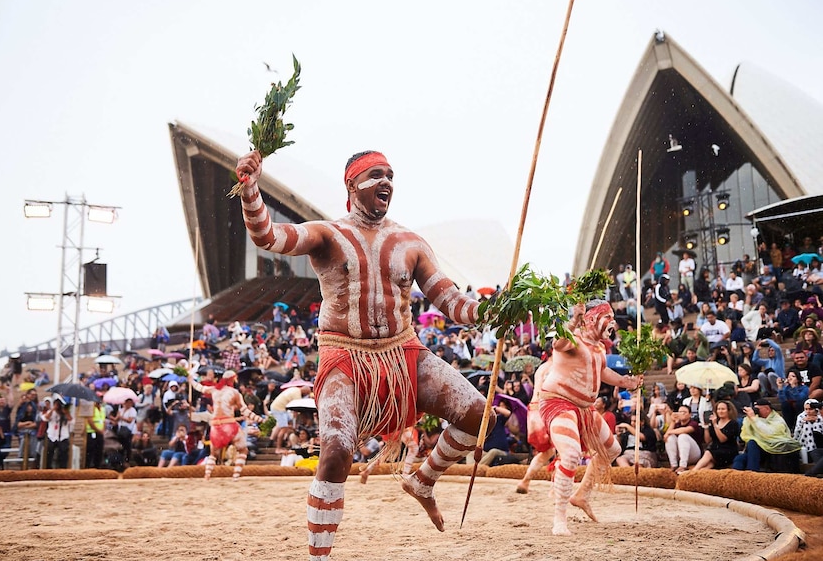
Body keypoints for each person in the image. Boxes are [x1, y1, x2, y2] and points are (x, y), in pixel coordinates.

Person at [235, 149, 492, 553]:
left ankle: (422, 480)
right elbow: (269, 237)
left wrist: (496, 310)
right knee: (337, 451)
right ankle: (320, 554)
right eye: (376, 175)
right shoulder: (328, 234)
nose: (386, 182)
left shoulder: (411, 242)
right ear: (352, 185)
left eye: (390, 175)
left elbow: (451, 302)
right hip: (344, 354)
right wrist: (251, 189)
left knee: (479, 414)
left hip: (403, 351)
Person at [519, 300, 641, 535]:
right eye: (607, 316)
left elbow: (602, 371)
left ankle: (582, 494)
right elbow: (558, 343)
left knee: (613, 450)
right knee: (572, 453)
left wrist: (627, 382)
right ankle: (559, 519)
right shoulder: (572, 337)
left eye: (612, 316)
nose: (612, 322)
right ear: (591, 319)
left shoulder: (599, 348)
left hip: (585, 409)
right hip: (558, 402)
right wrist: (574, 319)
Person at [189, 368, 263, 480]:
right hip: (228, 425)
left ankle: (207, 475)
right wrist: (259, 419)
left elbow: (200, 387)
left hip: (215, 427)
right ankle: (236, 476)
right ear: (233, 380)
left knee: (213, 454)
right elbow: (244, 410)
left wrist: (190, 379)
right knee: (243, 450)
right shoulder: (234, 393)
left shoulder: (214, 389)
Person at [691, 400, 740, 471]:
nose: (720, 411)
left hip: (728, 451)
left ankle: (691, 472)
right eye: (718, 409)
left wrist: (715, 425)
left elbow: (722, 439)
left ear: (728, 410)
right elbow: (708, 441)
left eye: (723, 409)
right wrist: (706, 428)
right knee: (705, 467)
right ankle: (694, 475)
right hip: (715, 450)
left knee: (708, 453)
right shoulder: (715, 422)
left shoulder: (733, 423)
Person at [663, 405, 704, 473]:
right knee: (670, 438)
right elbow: (665, 437)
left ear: (690, 414)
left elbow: (685, 430)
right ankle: (674, 465)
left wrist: (670, 432)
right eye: (680, 412)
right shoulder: (677, 424)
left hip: (694, 454)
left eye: (684, 412)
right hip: (680, 454)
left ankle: (683, 466)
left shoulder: (693, 423)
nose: (681, 414)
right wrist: (673, 421)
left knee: (683, 436)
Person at [43, 394, 73, 469]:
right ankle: (48, 470)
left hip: (63, 436)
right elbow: (45, 418)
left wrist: (65, 412)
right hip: (52, 436)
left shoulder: (66, 412)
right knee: (49, 454)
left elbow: (71, 421)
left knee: (63, 455)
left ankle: (62, 470)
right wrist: (53, 409)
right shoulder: (52, 411)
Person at [85, 399, 107, 468]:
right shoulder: (91, 408)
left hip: (100, 433)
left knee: (99, 450)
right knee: (90, 450)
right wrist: (98, 430)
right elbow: (90, 421)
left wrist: (102, 430)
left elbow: (103, 421)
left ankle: (97, 466)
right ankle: (88, 467)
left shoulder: (103, 409)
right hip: (92, 432)